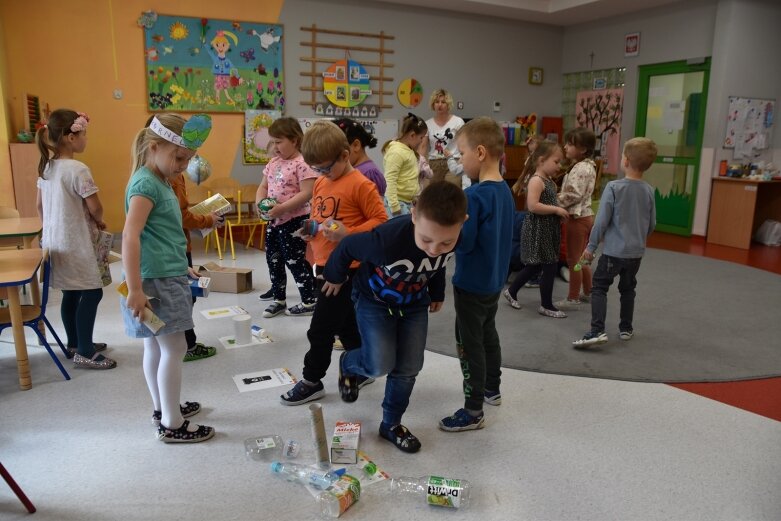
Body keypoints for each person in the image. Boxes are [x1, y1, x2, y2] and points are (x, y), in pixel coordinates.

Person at [322, 182, 467, 453]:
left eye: (446, 242)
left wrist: (437, 292)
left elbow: (436, 267)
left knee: (409, 367)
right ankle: (350, 362)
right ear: (413, 215)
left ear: (462, 223)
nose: (434, 248)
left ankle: (391, 423)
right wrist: (335, 275)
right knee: (378, 365)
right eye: (426, 240)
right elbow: (348, 247)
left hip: (414, 305)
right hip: (373, 301)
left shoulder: (454, 235)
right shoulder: (385, 240)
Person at [121, 113, 215, 443]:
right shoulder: (147, 184)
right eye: (178, 157)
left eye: (188, 160)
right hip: (155, 283)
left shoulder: (159, 180)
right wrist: (134, 289)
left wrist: (182, 266)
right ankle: (172, 423)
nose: (182, 165)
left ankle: (164, 407)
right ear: (153, 146)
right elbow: (130, 236)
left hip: (162, 275)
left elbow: (162, 235)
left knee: (156, 346)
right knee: (173, 347)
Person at [279, 120, 387, 405]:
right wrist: (311, 230)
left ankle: (312, 380)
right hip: (324, 264)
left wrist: (350, 234)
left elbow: (381, 222)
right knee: (346, 322)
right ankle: (362, 365)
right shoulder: (323, 182)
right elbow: (321, 217)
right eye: (317, 169)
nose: (322, 174)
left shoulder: (362, 184)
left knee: (321, 329)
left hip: (346, 270)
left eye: (326, 167)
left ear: (344, 154)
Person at [438, 118, 515, 432]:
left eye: (462, 153)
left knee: (469, 343)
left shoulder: (477, 196)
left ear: (480, 152)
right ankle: (491, 389)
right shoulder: (505, 192)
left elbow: (464, 242)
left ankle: (472, 411)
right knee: (487, 334)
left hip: (471, 282)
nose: (460, 160)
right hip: (494, 280)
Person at [35, 109, 116, 370]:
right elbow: (95, 207)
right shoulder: (78, 169)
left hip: (55, 241)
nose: (86, 139)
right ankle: (85, 351)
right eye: (84, 134)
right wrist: (100, 219)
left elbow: (39, 207)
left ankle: (75, 343)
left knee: (71, 292)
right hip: (77, 242)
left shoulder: (47, 167)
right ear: (70, 137)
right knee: (92, 292)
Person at [572, 137, 657, 348]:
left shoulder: (613, 187)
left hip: (613, 252)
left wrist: (590, 247)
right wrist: (638, 238)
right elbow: (652, 224)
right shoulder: (648, 190)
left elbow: (601, 222)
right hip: (636, 253)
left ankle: (596, 330)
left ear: (626, 161)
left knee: (599, 287)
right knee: (628, 289)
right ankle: (626, 328)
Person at [254, 117, 318, 318]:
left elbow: (307, 193)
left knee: (295, 261)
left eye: (279, 141)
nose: (275, 146)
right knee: (273, 259)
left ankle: (309, 301)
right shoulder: (273, 162)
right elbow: (263, 186)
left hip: (294, 221)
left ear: (295, 141)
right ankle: (279, 300)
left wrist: (282, 208)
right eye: (272, 141)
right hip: (275, 221)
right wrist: (259, 203)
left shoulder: (303, 164)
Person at [502, 141, 570, 318]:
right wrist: (555, 209)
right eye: (556, 162)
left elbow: (548, 201)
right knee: (548, 265)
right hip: (538, 229)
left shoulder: (549, 181)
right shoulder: (536, 180)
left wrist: (559, 208)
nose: (559, 166)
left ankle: (512, 291)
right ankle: (546, 305)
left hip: (548, 229)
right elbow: (532, 206)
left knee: (536, 265)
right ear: (541, 160)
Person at [170, 172, 223, 362]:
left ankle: (185, 343)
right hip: (176, 247)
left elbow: (182, 211)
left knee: (186, 296)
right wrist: (207, 220)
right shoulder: (171, 178)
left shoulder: (173, 174)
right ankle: (187, 345)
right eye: (182, 158)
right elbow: (180, 215)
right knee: (185, 297)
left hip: (178, 245)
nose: (185, 164)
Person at [555, 128, 598, 311]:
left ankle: (573, 298)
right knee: (582, 258)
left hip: (577, 218)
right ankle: (588, 291)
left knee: (574, 260)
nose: (565, 146)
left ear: (583, 149)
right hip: (587, 216)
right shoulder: (588, 165)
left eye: (570, 144)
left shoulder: (581, 168)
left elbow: (575, 193)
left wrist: (555, 199)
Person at [381, 113, 428, 218]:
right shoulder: (397, 152)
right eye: (421, 138)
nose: (422, 141)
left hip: (406, 202)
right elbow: (390, 180)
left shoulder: (408, 150)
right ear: (412, 135)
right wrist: (394, 206)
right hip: (397, 204)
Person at [422, 89, 465, 186]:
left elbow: (464, 143)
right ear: (433, 105)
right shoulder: (427, 124)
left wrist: (463, 160)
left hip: (454, 161)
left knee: (452, 192)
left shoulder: (458, 121)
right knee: (433, 194)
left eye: (443, 102)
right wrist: (419, 163)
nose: (440, 105)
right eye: (437, 102)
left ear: (448, 105)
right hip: (434, 163)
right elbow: (423, 146)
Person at [333, 118, 386, 196]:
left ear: (356, 145)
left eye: (337, 153)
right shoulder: (350, 169)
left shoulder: (369, 174)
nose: (334, 159)